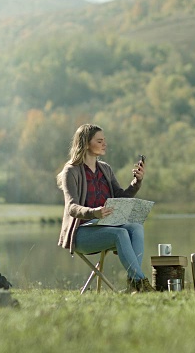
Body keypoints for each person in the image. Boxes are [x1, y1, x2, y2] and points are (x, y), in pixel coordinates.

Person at [57, 123, 154, 293]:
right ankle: (140, 283)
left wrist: (136, 182)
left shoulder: (105, 169)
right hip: (81, 233)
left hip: (105, 226)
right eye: (99, 141)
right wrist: (94, 212)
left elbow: (120, 197)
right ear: (86, 143)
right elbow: (71, 207)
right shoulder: (70, 171)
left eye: (104, 141)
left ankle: (135, 282)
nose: (104, 144)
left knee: (136, 227)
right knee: (121, 233)